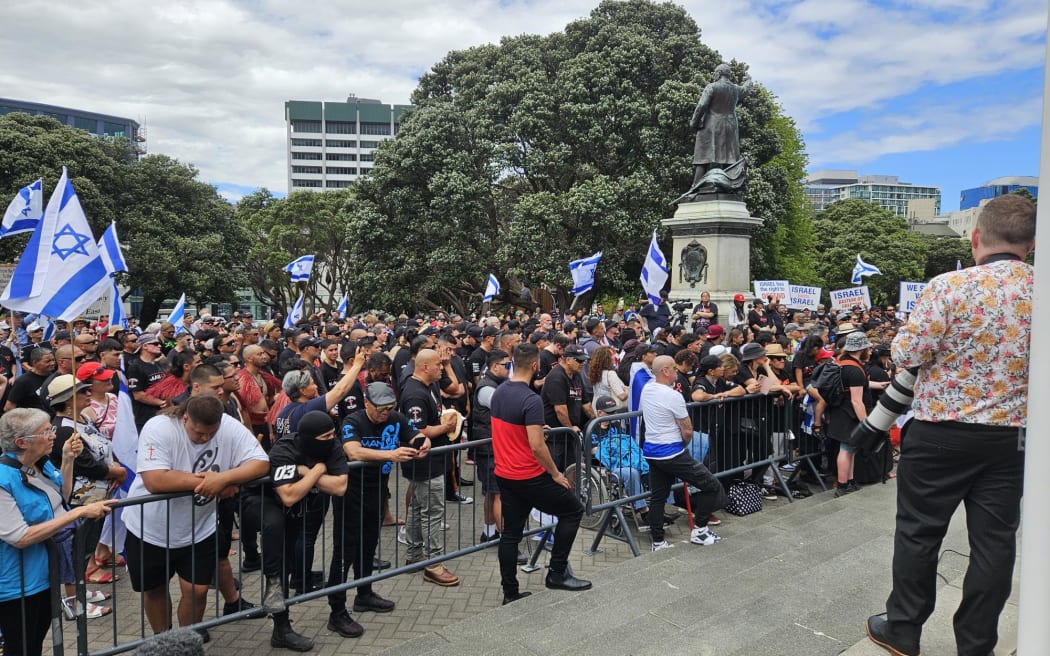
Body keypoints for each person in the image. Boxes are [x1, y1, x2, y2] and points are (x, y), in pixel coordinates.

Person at [867, 194, 1035, 656]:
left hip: (941, 431)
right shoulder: (1039, 290)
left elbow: (907, 355)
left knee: (920, 533)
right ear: (1032, 244)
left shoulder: (949, 287)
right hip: (1011, 437)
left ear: (976, 237)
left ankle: (903, 627)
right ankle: (977, 643)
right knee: (994, 544)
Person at [122, 395, 269, 640]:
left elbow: (261, 462)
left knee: (198, 591)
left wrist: (223, 479)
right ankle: (163, 637)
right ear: (185, 418)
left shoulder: (228, 425)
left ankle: (186, 639)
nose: (205, 439)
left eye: (211, 434)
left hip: (199, 527)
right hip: (150, 528)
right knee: (154, 589)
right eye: (199, 433)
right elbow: (155, 480)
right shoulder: (159, 427)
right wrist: (212, 483)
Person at [0, 408, 115, 656]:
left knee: (35, 642)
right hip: (17, 583)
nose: (54, 435)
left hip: (44, 575)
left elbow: (60, 498)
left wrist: (67, 460)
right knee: (20, 647)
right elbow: (19, 537)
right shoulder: (3, 479)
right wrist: (78, 513)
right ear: (21, 442)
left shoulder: (40, 464)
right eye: (46, 432)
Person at [491, 343, 591, 604]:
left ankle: (510, 593)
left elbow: (517, 430)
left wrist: (536, 426)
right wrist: (556, 474)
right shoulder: (530, 398)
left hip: (505, 473)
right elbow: (537, 446)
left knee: (510, 535)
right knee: (573, 510)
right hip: (529, 475)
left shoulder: (500, 391)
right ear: (535, 366)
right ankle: (557, 572)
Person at [326, 385, 411, 638]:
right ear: (367, 402)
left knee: (368, 544)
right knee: (345, 549)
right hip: (350, 492)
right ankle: (337, 611)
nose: (386, 412)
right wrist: (390, 454)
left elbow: (416, 433)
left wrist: (423, 443)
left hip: (376, 491)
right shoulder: (353, 420)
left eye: (389, 407)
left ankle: (364, 594)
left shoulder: (394, 417)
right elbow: (352, 451)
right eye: (380, 408)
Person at [642, 355, 725, 551]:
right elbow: (687, 430)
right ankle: (700, 530)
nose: (677, 373)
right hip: (672, 452)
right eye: (674, 369)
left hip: (653, 451)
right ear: (665, 371)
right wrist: (683, 444)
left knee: (658, 497)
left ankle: (658, 542)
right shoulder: (673, 396)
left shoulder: (647, 389)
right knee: (711, 485)